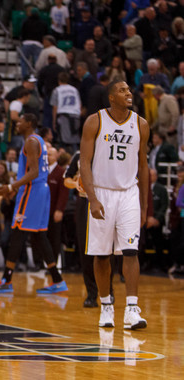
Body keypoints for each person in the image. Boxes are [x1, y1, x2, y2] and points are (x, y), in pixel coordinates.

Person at [80, 79, 149, 330]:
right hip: (102, 192)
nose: (128, 93)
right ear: (111, 97)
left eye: (129, 90)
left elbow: (143, 166)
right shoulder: (95, 121)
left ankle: (132, 309)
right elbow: (84, 162)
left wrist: (144, 205)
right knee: (102, 255)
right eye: (122, 90)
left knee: (131, 251)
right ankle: (106, 305)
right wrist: (93, 198)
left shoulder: (140, 124)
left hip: (129, 192)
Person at [0, 114, 67, 294]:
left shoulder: (31, 141)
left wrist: (11, 186)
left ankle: (7, 279)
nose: (17, 123)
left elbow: (34, 172)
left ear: (29, 123)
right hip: (39, 190)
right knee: (38, 236)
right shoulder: (37, 141)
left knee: (18, 232)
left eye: (20, 121)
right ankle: (57, 280)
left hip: (33, 191)